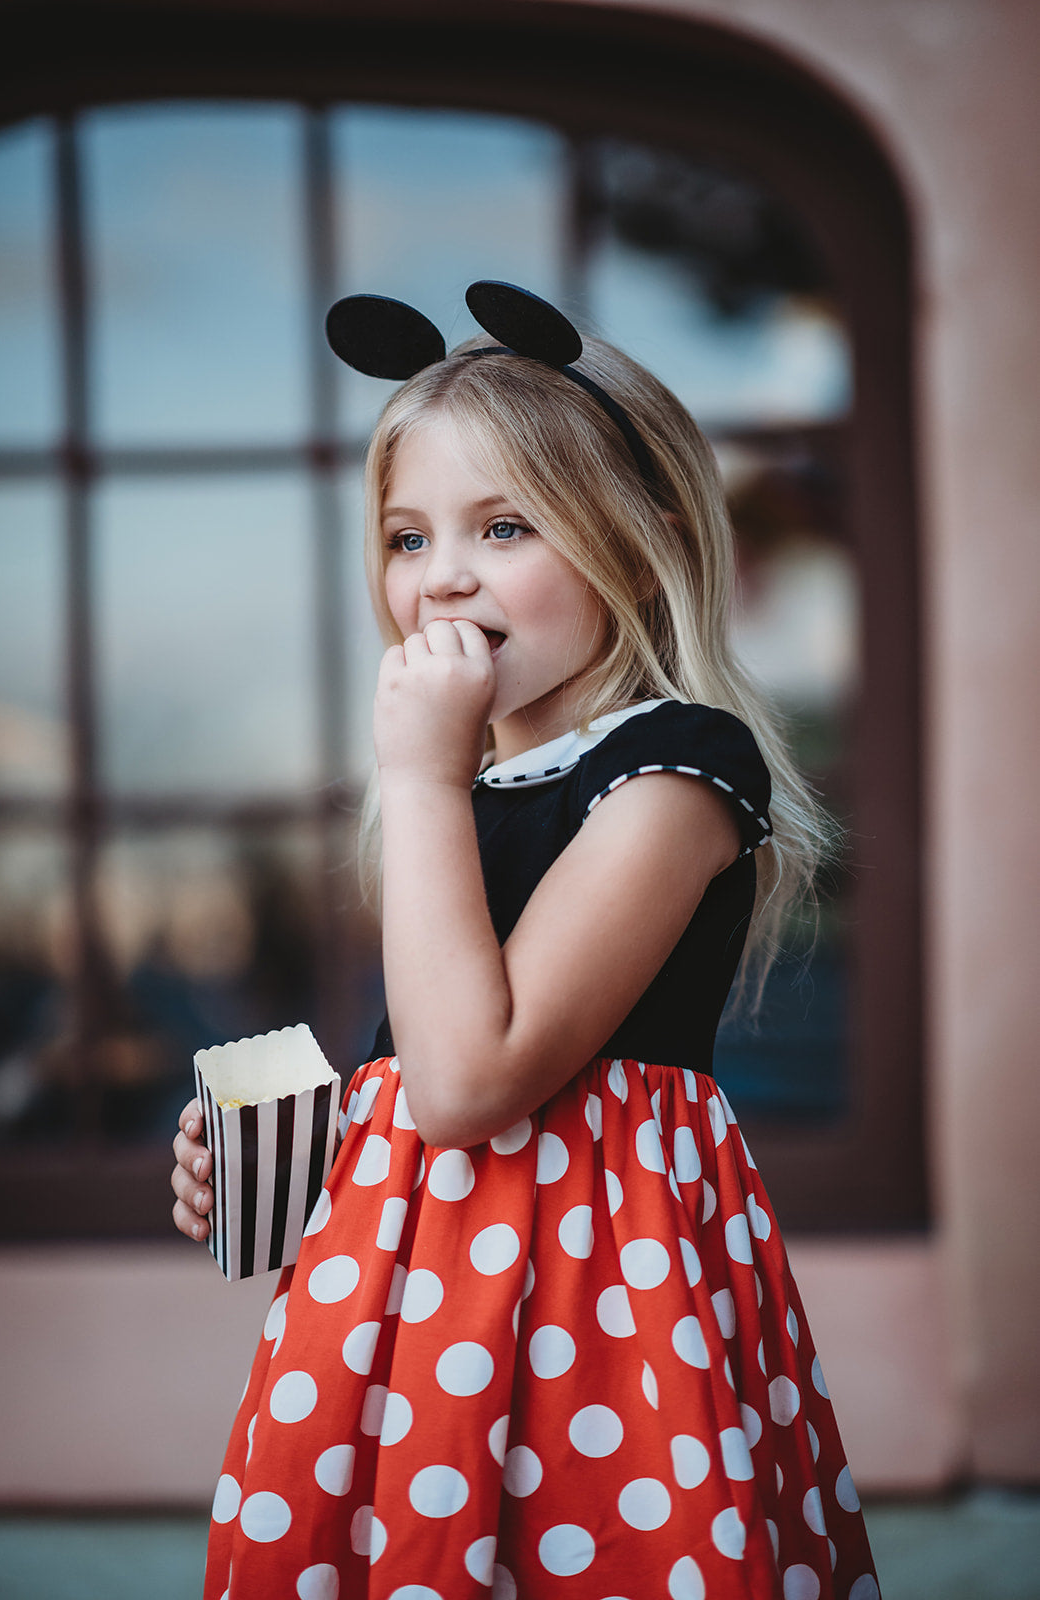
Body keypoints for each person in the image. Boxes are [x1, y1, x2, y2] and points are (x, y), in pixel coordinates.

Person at [171, 282, 880, 1600]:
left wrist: (424, 781)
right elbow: (415, 1072)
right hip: (408, 1301)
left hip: (589, 1304)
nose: (441, 576)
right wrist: (289, 1155)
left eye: (503, 527)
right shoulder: (464, 785)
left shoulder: (674, 773)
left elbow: (472, 1080)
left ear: (641, 537)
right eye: (404, 536)